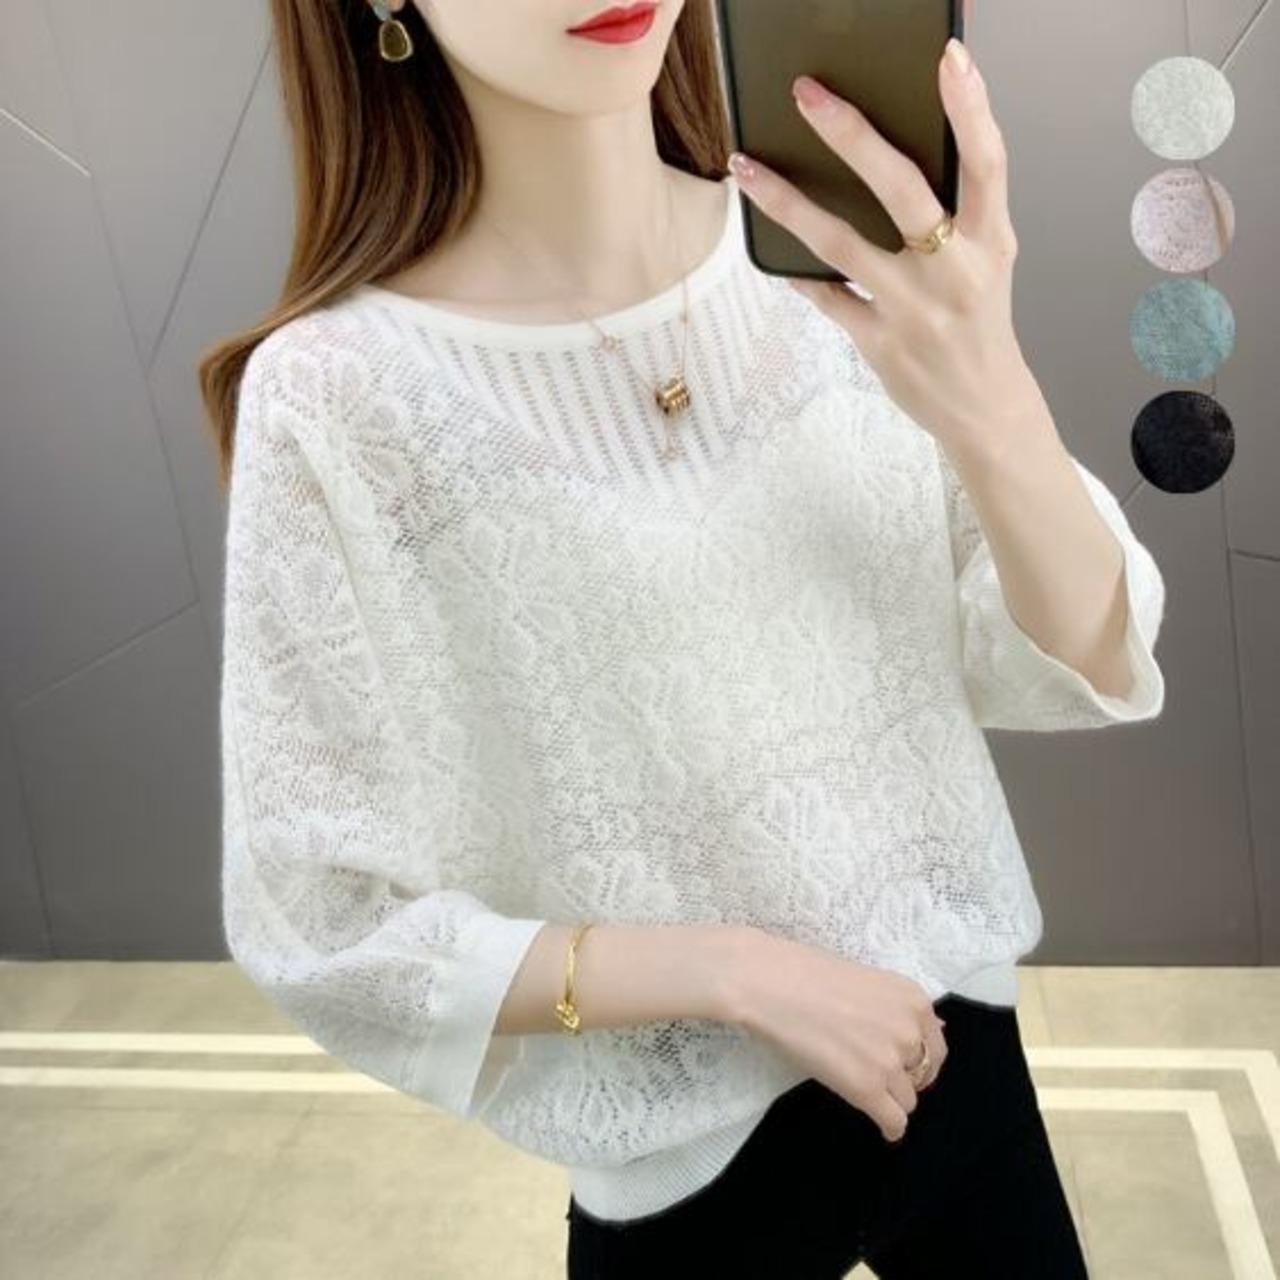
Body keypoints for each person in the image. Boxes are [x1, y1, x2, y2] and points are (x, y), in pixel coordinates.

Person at [201, 2, 1168, 1276]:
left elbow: (1083, 652)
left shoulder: (840, 263)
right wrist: (728, 969)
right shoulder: (336, 398)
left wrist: (994, 399)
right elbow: (321, 916)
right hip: (685, 1182)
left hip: (960, 1066)